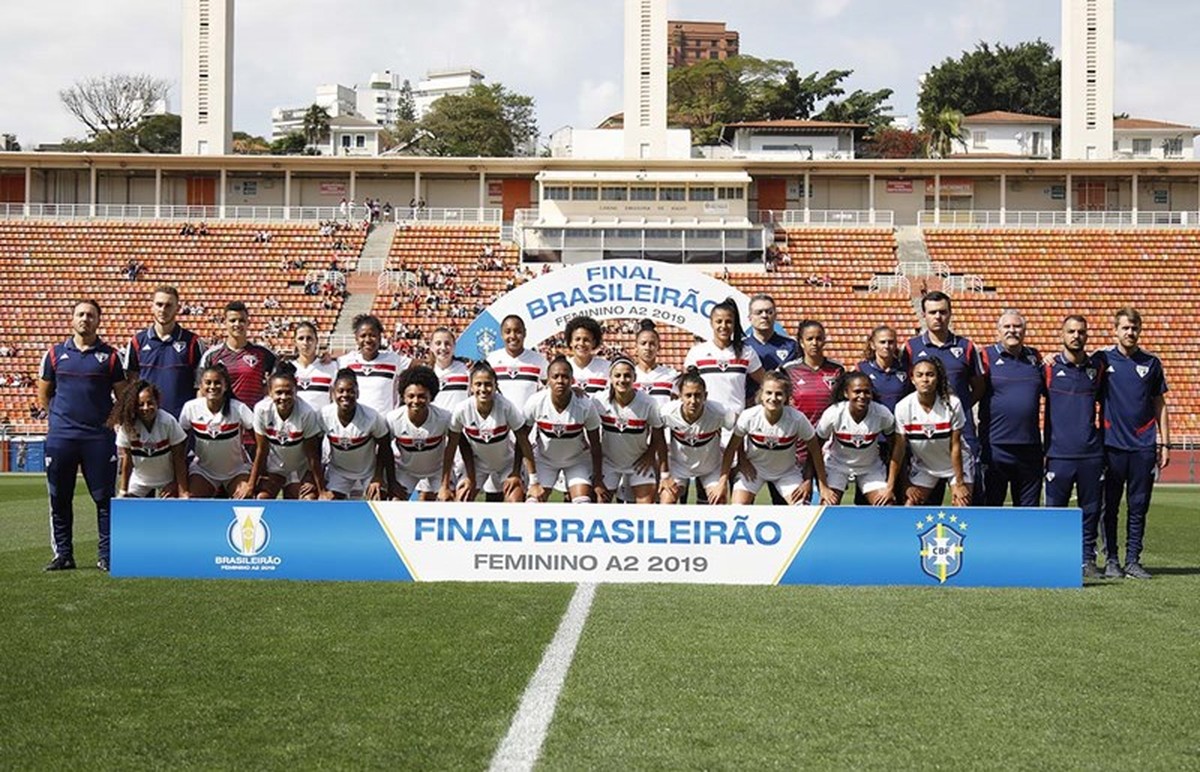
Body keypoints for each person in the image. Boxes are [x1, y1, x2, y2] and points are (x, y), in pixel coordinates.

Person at [39, 300, 126, 571]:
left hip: (98, 439)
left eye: (90, 315)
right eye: (80, 314)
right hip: (62, 438)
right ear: (72, 319)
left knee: (104, 499)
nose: (85, 319)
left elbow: (122, 396)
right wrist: (59, 421)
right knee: (59, 498)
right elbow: (44, 394)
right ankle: (63, 555)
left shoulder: (111, 357)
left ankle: (107, 555)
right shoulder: (54, 354)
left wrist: (108, 424)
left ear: (98, 320)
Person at [1100, 307, 1170, 580]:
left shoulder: (1151, 363)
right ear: (1115, 330)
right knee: (1110, 506)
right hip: (1111, 446)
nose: (1130, 332)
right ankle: (1112, 560)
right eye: (1125, 328)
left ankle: (1132, 560)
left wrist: (1165, 444)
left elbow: (1159, 404)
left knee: (1138, 506)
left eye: (1134, 328)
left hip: (1143, 446)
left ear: (1139, 330)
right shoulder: (1102, 360)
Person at [902, 291, 985, 503]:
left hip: (962, 431)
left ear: (950, 313)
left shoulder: (966, 347)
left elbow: (978, 387)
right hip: (926, 433)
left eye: (942, 312)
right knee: (924, 502)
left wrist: (958, 408)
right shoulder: (911, 348)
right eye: (932, 312)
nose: (938, 317)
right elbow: (907, 388)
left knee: (966, 498)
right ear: (924, 315)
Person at [1043, 315, 1107, 578]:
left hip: (1091, 453)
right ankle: (1054, 558)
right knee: (1055, 510)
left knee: (1090, 510)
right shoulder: (1048, 368)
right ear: (1062, 335)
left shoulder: (1098, 368)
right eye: (1071, 331)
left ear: (1087, 335)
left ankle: (1087, 559)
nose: (1076, 336)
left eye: (1081, 332)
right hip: (1058, 453)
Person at [721, 370, 832, 506]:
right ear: (761, 395)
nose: (773, 398)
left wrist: (822, 486)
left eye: (779, 394)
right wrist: (724, 480)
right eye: (768, 393)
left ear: (786, 397)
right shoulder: (748, 416)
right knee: (737, 507)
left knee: (802, 509)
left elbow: (815, 450)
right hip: (754, 471)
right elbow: (731, 448)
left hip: (787, 473)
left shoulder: (797, 419)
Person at [441, 362, 535, 503]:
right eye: (478, 384)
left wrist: (517, 473)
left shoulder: (506, 407)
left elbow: (523, 441)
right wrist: (445, 485)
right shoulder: (462, 409)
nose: (483, 389)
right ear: (471, 387)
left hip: (506, 464)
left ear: (496, 385)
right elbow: (452, 447)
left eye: (488, 384)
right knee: (462, 499)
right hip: (477, 464)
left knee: (515, 500)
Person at [979, 310, 1045, 507]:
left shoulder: (1035, 357)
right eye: (1007, 326)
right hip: (995, 447)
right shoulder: (985, 356)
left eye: (1017, 326)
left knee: (1028, 511)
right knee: (991, 509)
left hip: (1029, 448)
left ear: (1024, 330)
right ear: (998, 331)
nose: (1012, 330)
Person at [890, 358, 972, 507]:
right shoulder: (902, 407)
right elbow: (899, 449)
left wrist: (960, 483)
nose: (925, 379)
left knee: (962, 505)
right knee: (910, 506)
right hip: (925, 466)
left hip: (956, 465)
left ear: (937, 378)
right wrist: (896, 485)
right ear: (912, 379)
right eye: (919, 375)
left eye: (930, 374)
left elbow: (955, 446)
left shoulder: (952, 403)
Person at [199, 301, 276, 456]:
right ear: (224, 322)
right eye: (233, 320)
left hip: (254, 430)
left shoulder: (263, 354)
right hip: (223, 428)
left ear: (248, 322)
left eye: (241, 320)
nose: (237, 324)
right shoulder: (212, 355)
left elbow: (277, 385)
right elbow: (201, 392)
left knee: (257, 470)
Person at [524, 356, 603, 504]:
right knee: (533, 503)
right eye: (555, 377)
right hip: (544, 460)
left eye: (565, 377)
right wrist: (529, 478)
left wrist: (598, 478)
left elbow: (595, 443)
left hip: (577, 461)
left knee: (583, 503)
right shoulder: (535, 402)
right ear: (548, 380)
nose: (560, 381)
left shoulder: (585, 404)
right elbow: (522, 439)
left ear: (572, 380)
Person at [782, 319, 844, 504]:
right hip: (799, 446)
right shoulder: (789, 370)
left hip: (828, 445)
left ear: (824, 340)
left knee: (830, 502)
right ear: (801, 342)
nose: (814, 343)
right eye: (809, 339)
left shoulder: (837, 370)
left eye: (819, 338)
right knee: (799, 501)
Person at [816, 371, 897, 505]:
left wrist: (889, 485)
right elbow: (815, 448)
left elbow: (896, 447)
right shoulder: (833, 413)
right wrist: (823, 486)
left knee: (886, 505)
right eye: (857, 392)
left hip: (870, 468)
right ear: (846, 393)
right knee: (827, 506)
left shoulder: (882, 414)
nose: (862, 396)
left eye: (866, 392)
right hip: (837, 466)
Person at [124, 285, 205, 418]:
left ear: (177, 308)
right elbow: (131, 383)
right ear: (152, 306)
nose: (163, 310)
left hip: (181, 420)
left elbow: (201, 385)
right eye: (159, 304)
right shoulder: (137, 342)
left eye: (168, 305)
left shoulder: (192, 342)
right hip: (147, 419)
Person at [594, 357, 666, 504]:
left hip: (638, 463)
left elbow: (658, 431)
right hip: (609, 463)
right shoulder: (598, 401)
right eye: (617, 375)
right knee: (600, 505)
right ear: (610, 378)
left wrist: (650, 454)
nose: (622, 380)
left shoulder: (648, 402)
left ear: (635, 377)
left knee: (646, 508)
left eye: (627, 375)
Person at [247, 364, 325, 500]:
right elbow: (261, 450)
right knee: (262, 497)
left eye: (288, 392)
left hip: (301, 468)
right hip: (275, 467)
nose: (283, 397)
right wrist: (251, 485)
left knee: (309, 498)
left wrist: (321, 489)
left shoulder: (306, 413)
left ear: (296, 391)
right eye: (279, 392)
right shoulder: (261, 410)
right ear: (270, 392)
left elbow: (312, 453)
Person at [660, 369, 735, 505]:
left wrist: (723, 481)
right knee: (666, 500)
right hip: (678, 467)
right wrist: (664, 475)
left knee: (720, 501)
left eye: (698, 395)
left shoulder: (720, 413)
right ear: (680, 396)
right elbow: (657, 435)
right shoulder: (667, 413)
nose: (693, 401)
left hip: (711, 468)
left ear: (705, 396)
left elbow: (739, 433)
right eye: (688, 395)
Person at [180, 364, 255, 499]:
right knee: (191, 502)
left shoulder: (238, 408)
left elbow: (260, 442)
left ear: (226, 386)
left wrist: (252, 480)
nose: (212, 387)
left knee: (245, 500)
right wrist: (182, 486)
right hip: (204, 471)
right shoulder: (190, 408)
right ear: (200, 386)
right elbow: (180, 447)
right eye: (208, 382)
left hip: (237, 471)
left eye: (217, 383)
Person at [685, 298, 764, 419]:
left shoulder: (746, 352)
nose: (723, 326)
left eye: (728, 322)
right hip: (706, 420)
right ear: (711, 323)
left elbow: (766, 382)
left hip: (736, 421)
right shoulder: (697, 352)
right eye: (719, 321)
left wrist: (753, 405)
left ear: (734, 324)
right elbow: (685, 387)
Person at [318, 369, 390, 501]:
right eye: (341, 391)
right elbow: (314, 449)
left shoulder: (372, 417)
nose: (345, 395)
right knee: (328, 503)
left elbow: (385, 446)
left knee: (379, 498)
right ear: (333, 393)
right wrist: (320, 484)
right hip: (339, 471)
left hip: (368, 471)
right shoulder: (323, 415)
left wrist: (378, 476)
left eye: (350, 391)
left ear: (358, 393)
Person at [112, 381, 189, 499]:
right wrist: (123, 490)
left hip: (167, 480)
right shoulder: (128, 426)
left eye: (150, 403)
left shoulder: (168, 421)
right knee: (128, 506)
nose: (146, 408)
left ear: (157, 402)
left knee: (171, 509)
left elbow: (178, 457)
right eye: (140, 404)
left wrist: (180, 488)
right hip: (140, 481)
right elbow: (127, 460)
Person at [386, 366, 452, 502]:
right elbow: (384, 449)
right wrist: (392, 481)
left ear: (431, 397)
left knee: (449, 501)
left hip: (437, 471)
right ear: (403, 397)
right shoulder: (393, 419)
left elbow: (457, 445)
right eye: (411, 396)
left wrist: (445, 485)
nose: (415, 401)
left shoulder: (444, 418)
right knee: (394, 503)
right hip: (406, 471)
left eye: (422, 396)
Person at [337, 314, 412, 415]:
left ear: (380, 337)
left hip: (384, 422)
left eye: (372, 335)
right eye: (363, 336)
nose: (368, 340)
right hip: (356, 422)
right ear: (356, 338)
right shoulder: (345, 362)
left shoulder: (394, 359)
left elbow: (424, 364)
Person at [744, 293, 798, 403]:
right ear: (750, 317)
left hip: (779, 406)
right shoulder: (742, 347)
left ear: (775, 315)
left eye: (769, 312)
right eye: (759, 312)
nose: (764, 316)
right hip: (749, 406)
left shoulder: (791, 346)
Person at [487, 314, 547, 408]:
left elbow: (549, 386)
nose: (513, 336)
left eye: (518, 331)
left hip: (528, 417)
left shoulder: (538, 360)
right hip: (500, 417)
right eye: (508, 332)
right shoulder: (492, 360)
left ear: (525, 333)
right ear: (502, 334)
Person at [856, 325, 910, 413]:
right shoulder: (862, 369)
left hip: (899, 419)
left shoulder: (905, 368)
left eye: (890, 342)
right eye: (882, 342)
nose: (887, 346)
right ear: (873, 345)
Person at [291, 322, 338, 410]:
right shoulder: (289, 369)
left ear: (316, 341)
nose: (305, 342)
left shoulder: (331, 367)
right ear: (295, 342)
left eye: (309, 338)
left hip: (322, 418)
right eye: (301, 338)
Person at [632, 320, 679, 406]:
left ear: (659, 347)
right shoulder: (629, 375)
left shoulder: (671, 375)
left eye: (652, 344)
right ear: (636, 347)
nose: (647, 348)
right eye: (643, 343)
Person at [564, 316, 610, 397]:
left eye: (586, 340)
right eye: (577, 339)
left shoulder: (607, 368)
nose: (581, 343)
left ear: (594, 343)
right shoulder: (562, 367)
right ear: (570, 342)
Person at [429, 327, 470, 411]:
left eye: (447, 343)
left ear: (454, 346)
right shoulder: (426, 373)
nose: (443, 347)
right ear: (431, 347)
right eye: (438, 343)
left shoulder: (466, 370)